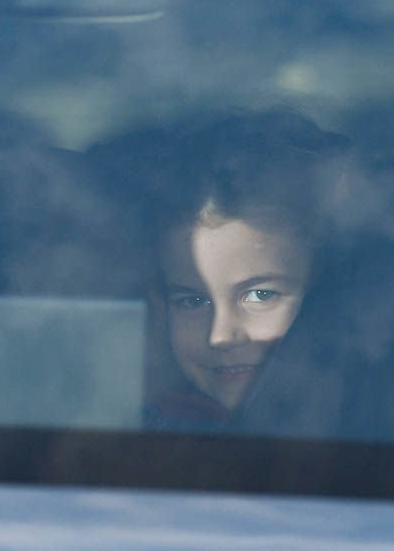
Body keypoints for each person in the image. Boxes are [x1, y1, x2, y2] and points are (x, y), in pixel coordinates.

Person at [143, 110, 350, 429]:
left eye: (261, 295)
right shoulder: (146, 431)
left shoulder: (370, 428)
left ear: (325, 293)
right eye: (192, 301)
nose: (220, 336)